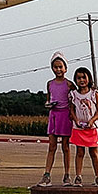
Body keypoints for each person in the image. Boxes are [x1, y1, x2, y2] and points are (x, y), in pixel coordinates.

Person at [40, 54, 72, 187]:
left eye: (60, 67)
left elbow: (75, 98)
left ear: (65, 68)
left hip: (65, 116)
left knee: (65, 147)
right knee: (52, 146)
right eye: (55, 67)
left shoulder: (69, 84)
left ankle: (67, 175)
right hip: (53, 115)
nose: (58, 70)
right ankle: (47, 175)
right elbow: (49, 98)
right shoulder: (50, 83)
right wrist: (48, 104)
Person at [69, 66, 98, 186]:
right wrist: (76, 120)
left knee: (94, 152)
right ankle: (78, 176)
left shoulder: (94, 94)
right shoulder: (73, 94)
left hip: (92, 127)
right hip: (79, 128)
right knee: (79, 152)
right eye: (79, 78)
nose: (81, 80)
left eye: (84, 77)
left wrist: (92, 121)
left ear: (89, 78)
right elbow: (72, 110)